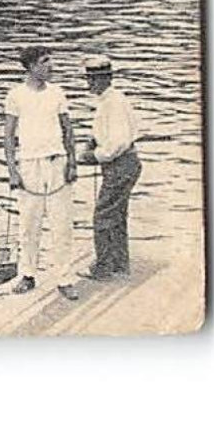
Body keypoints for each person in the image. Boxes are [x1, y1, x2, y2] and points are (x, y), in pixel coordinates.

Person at [3, 46, 80, 300]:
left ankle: (65, 278)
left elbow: (68, 129)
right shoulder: (16, 96)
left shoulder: (57, 93)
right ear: (31, 66)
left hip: (57, 163)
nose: (51, 66)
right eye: (45, 62)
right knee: (28, 224)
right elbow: (8, 137)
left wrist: (72, 163)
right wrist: (13, 171)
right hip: (29, 165)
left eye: (50, 61)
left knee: (62, 223)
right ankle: (27, 275)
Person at [79, 55, 142, 279]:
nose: (89, 84)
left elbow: (116, 144)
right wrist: (94, 140)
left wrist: (92, 156)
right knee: (117, 215)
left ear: (106, 79)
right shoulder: (112, 100)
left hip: (120, 164)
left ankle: (104, 267)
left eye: (94, 79)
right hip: (126, 163)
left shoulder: (112, 104)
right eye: (89, 78)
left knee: (103, 215)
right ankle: (119, 263)